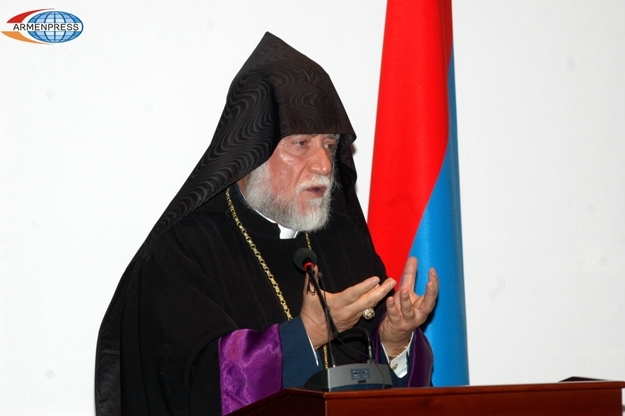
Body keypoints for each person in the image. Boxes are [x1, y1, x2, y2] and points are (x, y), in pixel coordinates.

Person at [95, 32, 438, 416]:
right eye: (301, 143)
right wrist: (305, 335)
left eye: (329, 144)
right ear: (251, 151)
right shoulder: (179, 255)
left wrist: (394, 341)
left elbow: (380, 392)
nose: (324, 164)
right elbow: (193, 387)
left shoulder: (343, 241)